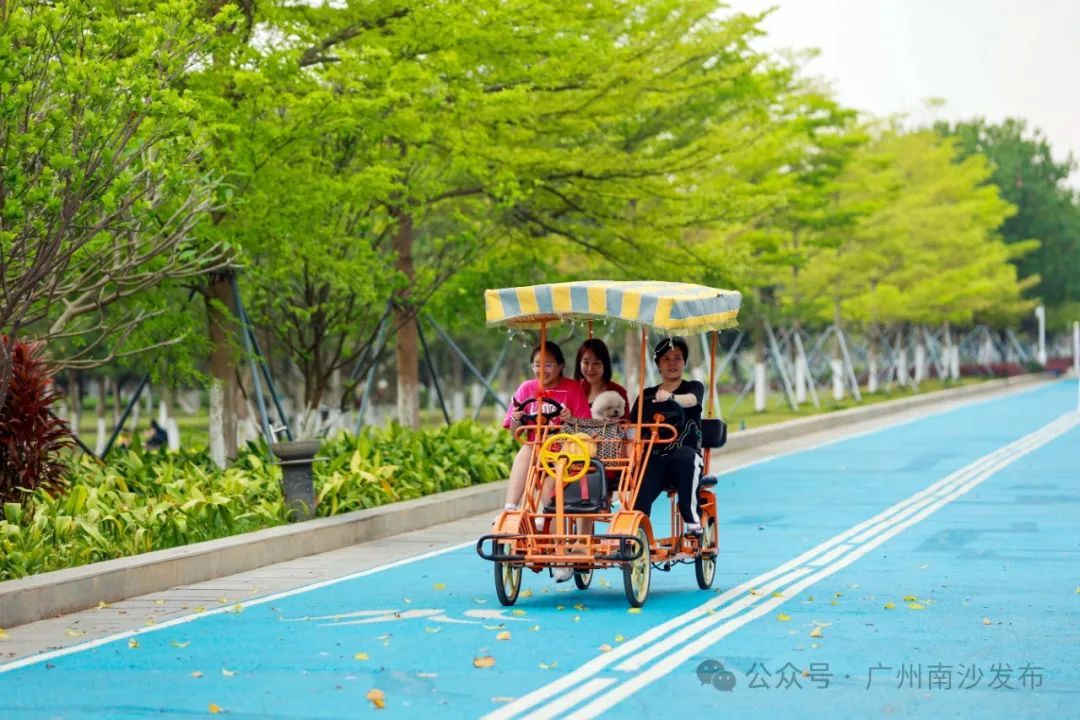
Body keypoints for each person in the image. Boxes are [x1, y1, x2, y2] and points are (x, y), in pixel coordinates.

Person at [629, 336, 706, 535]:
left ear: (684, 362)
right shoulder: (646, 396)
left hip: (684, 459)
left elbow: (692, 401)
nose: (672, 363)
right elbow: (632, 427)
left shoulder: (693, 387)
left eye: (677, 358)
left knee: (687, 456)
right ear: (658, 365)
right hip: (654, 458)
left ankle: (692, 518)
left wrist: (670, 398)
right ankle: (637, 532)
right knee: (639, 497)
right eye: (666, 359)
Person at [574, 338, 630, 420]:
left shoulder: (619, 391)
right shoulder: (573, 390)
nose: (590, 368)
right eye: (586, 362)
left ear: (605, 364)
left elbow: (625, 423)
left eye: (596, 363)